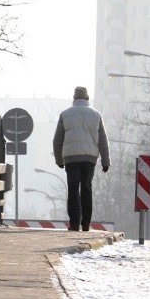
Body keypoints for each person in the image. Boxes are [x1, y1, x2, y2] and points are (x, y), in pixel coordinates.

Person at [53, 86, 110, 231]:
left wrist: (59, 160)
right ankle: (86, 224)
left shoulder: (65, 114)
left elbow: (57, 140)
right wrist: (105, 161)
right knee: (86, 188)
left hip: (71, 157)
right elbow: (103, 140)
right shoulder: (96, 114)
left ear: (74, 99)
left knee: (73, 189)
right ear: (87, 99)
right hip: (89, 158)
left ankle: (74, 224)